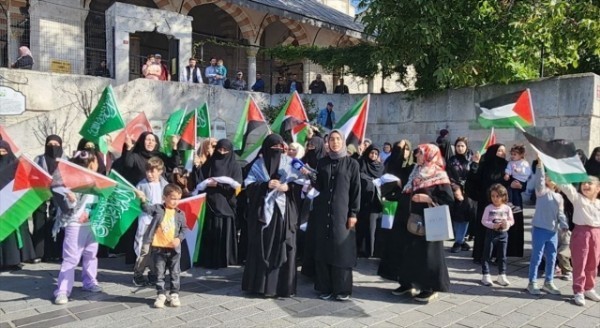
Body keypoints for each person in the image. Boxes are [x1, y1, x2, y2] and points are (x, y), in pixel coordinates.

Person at [394, 144, 453, 303]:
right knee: (409, 252)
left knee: (428, 255)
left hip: (429, 222)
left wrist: (428, 199)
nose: (417, 155)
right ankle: (408, 283)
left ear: (429, 154)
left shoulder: (439, 174)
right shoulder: (416, 171)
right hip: (411, 219)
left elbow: (448, 198)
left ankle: (430, 287)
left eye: (420, 153)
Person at [242, 134, 300, 297]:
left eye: (279, 148)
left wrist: (288, 187)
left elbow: (300, 183)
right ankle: (259, 286)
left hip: (283, 214)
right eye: (273, 148)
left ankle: (282, 287)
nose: (276, 151)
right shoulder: (257, 165)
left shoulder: (290, 163)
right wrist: (265, 185)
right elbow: (249, 185)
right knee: (260, 245)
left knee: (282, 245)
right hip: (263, 213)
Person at [311, 130, 361, 301]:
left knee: (341, 249)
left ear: (343, 141)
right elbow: (319, 186)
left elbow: (356, 190)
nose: (335, 142)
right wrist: (309, 179)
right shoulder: (322, 162)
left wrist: (353, 213)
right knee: (323, 249)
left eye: (338, 139)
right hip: (323, 213)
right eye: (331, 139)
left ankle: (342, 289)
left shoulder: (351, 163)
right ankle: (324, 287)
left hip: (342, 214)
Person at [52, 151, 103, 305]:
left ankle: (89, 282)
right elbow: (57, 191)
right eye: (93, 162)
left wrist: (91, 213)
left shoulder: (98, 179)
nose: (96, 165)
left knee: (91, 254)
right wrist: (69, 196)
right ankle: (62, 290)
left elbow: (100, 201)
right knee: (71, 258)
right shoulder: (70, 180)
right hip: (74, 223)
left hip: (91, 224)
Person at [136, 184, 187, 308]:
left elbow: (184, 229)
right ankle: (161, 294)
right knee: (159, 273)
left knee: (175, 273)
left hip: (174, 250)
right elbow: (146, 209)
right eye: (173, 198)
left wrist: (178, 239)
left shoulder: (180, 214)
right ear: (164, 197)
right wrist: (142, 199)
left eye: (178, 199)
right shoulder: (158, 208)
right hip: (158, 248)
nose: (175, 201)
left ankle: (174, 294)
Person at [196, 139, 243, 269]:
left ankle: (225, 258)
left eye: (225, 150)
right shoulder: (209, 164)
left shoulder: (235, 166)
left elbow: (237, 187)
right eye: (220, 150)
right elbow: (199, 181)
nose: (222, 153)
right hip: (209, 203)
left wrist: (219, 185)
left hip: (226, 204)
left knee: (224, 230)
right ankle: (207, 259)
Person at [526, 161, 568, 295]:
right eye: (549, 177)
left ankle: (548, 282)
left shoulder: (559, 197)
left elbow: (560, 213)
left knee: (552, 257)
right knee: (537, 257)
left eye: (554, 178)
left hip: (552, 232)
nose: (551, 179)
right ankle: (532, 282)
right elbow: (540, 180)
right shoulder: (542, 192)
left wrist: (564, 224)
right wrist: (540, 166)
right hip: (539, 229)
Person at [558, 176, 600, 306]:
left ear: (598, 188)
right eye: (583, 183)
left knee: (593, 262)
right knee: (580, 262)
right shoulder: (578, 199)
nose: (585, 185)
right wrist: (557, 174)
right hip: (581, 233)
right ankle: (578, 290)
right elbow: (566, 187)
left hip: (596, 233)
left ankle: (589, 288)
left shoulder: (598, 203)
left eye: (589, 183)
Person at [378, 140, 414, 281]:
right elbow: (390, 171)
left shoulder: (413, 166)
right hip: (392, 203)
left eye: (405, 149)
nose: (402, 152)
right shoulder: (391, 164)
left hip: (406, 206)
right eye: (399, 149)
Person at [466, 144, 509, 263]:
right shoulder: (484, 165)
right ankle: (481, 255)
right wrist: (475, 164)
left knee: (499, 227)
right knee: (485, 228)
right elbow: (473, 180)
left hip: (501, 203)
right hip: (485, 202)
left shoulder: (506, 165)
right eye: (500, 151)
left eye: (504, 151)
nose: (502, 153)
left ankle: (497, 256)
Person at [0, 140, 36, 270]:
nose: (1, 154)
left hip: (14, 203)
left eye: (4, 151)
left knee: (14, 233)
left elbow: (24, 182)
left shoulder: (16, 166)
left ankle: (14, 260)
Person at [132, 157, 168, 287]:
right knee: (144, 248)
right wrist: (139, 198)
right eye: (147, 171)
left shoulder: (165, 185)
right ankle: (138, 274)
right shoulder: (141, 185)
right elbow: (136, 202)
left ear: (160, 171)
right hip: (146, 220)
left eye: (152, 171)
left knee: (157, 249)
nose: (149, 174)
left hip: (159, 222)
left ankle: (154, 273)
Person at [32, 135, 67, 262]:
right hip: (40, 192)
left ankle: (56, 251)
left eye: (56, 144)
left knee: (57, 220)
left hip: (59, 193)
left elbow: (68, 177)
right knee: (39, 220)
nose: (53, 147)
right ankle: (39, 252)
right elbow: (33, 173)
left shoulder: (65, 160)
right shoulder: (39, 159)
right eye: (50, 144)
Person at [480, 183, 514, 287]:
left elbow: (511, 220)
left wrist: (507, 224)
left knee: (502, 255)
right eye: (492, 196)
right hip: (491, 233)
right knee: (487, 254)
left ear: (503, 196)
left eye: (497, 196)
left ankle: (502, 274)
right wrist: (492, 225)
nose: (495, 199)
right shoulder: (488, 208)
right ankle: (486, 274)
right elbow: (483, 221)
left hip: (503, 233)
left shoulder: (507, 208)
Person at [356, 144, 384, 258]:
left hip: (375, 202)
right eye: (371, 153)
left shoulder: (380, 167)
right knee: (361, 226)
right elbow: (358, 174)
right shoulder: (362, 163)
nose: (373, 155)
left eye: (376, 154)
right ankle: (358, 249)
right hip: (363, 200)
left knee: (371, 228)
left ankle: (370, 251)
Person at [449, 184, 477, 253]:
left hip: (465, 214)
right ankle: (461, 242)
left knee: (461, 225)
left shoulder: (466, 198)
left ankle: (458, 243)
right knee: (457, 227)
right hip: (456, 214)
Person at [503, 144, 531, 208]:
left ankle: (517, 205)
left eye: (515, 154)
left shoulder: (524, 163)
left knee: (515, 191)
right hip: (514, 178)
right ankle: (510, 202)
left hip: (521, 180)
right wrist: (507, 174)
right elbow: (508, 169)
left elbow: (528, 172)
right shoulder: (511, 162)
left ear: (521, 155)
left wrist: (520, 170)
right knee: (511, 190)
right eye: (512, 154)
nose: (512, 156)